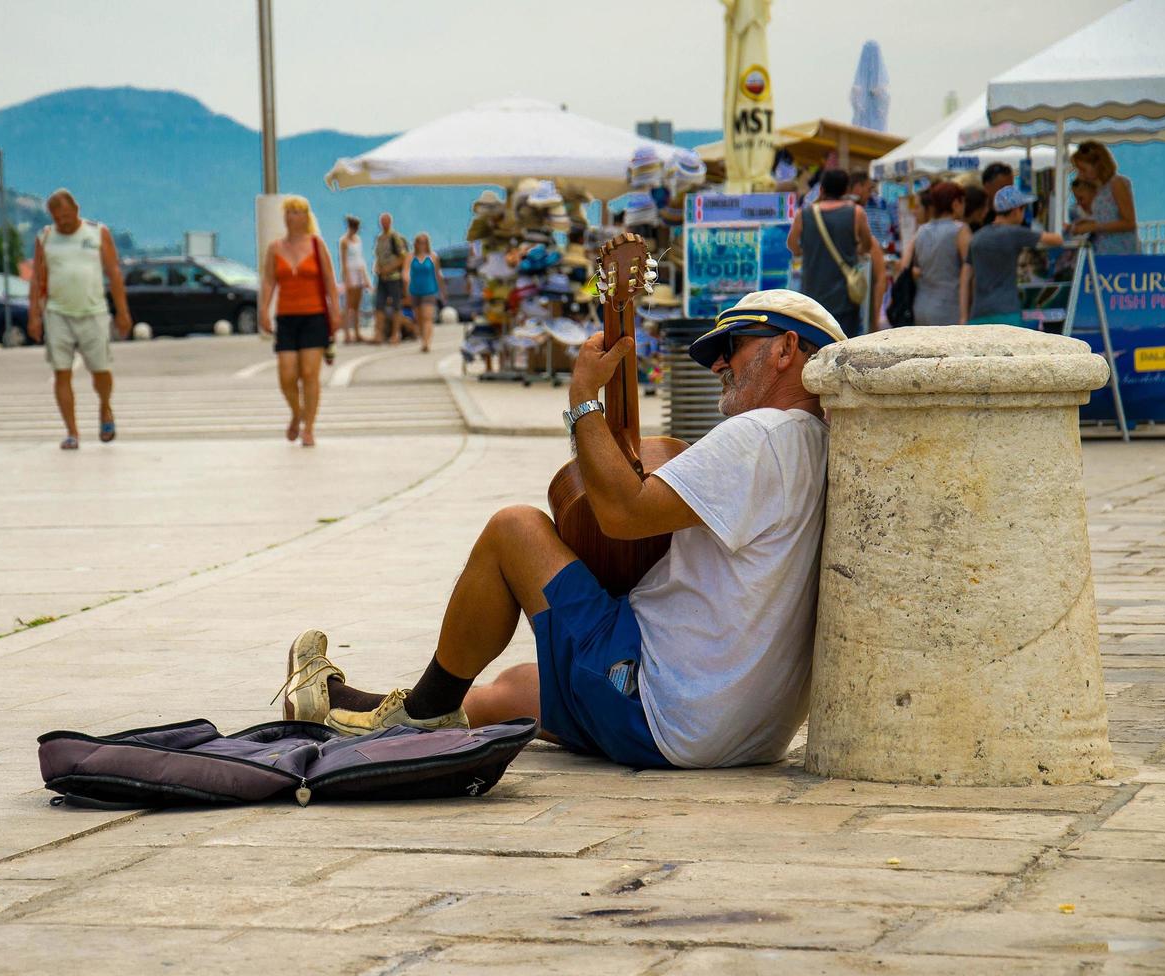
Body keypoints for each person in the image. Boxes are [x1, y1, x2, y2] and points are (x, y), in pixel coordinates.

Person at [278, 289, 846, 770]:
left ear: (787, 350)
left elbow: (623, 513)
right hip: (742, 733)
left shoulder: (764, 435)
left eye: (733, 346)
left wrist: (583, 401)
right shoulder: (821, 445)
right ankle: (356, 709)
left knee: (515, 530)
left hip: (668, 707)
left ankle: (418, 715)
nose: (719, 363)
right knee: (515, 688)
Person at [27, 189, 131, 450]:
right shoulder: (46, 237)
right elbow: (38, 278)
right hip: (57, 313)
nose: (63, 222)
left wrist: (122, 312)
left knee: (101, 371)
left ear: (76, 210)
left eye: (66, 216)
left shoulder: (97, 233)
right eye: (57, 218)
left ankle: (105, 409)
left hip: (93, 312)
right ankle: (72, 431)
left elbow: (114, 273)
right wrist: (34, 316)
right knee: (61, 372)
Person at [259, 195, 338, 448]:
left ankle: (309, 428)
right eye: (288, 212)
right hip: (286, 316)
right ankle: (297, 412)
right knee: (286, 374)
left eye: (297, 212)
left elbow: (329, 280)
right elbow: (269, 280)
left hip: (314, 314)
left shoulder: (317, 245)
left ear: (306, 217)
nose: (292, 216)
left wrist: (335, 311)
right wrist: (263, 310)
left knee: (309, 373)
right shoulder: (275, 248)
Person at [787, 168, 885, 336]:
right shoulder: (856, 212)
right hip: (845, 297)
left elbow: (792, 245)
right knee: (843, 341)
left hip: (813, 294)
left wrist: (808, 252)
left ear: (822, 189)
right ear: (846, 190)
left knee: (815, 343)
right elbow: (867, 245)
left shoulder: (804, 214)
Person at [966, 186, 1063, 327]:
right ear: (1017, 210)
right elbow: (1056, 240)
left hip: (978, 311)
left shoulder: (977, 237)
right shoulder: (1016, 233)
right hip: (1006, 311)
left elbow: (968, 275)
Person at [904, 181, 971, 325]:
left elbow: (905, 265)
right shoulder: (960, 230)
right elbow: (968, 273)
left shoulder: (921, 231)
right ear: (955, 203)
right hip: (949, 308)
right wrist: (965, 315)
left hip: (920, 306)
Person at [1070, 140, 1139, 255]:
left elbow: (1129, 223)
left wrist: (1093, 226)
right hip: (1103, 252)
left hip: (1121, 253)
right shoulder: (1099, 188)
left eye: (1083, 169)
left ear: (1097, 165)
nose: (1080, 175)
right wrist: (1089, 221)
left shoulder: (1117, 183)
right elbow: (1110, 217)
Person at [402, 233, 445, 353]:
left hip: (429, 290)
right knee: (419, 318)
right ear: (415, 244)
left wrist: (442, 291)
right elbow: (405, 272)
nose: (421, 244)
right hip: (415, 290)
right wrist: (406, 284)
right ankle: (423, 338)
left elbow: (438, 275)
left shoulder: (433, 257)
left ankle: (426, 343)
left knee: (427, 317)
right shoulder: (410, 257)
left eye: (424, 242)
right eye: (419, 242)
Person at [372, 213, 409, 344]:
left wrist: (390, 268)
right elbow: (378, 256)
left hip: (394, 277)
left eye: (386, 221)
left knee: (396, 305)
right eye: (382, 221)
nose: (384, 224)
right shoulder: (380, 238)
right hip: (382, 277)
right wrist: (377, 268)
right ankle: (379, 334)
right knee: (379, 305)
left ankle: (396, 333)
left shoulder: (395, 237)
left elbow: (403, 256)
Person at [338, 215, 369, 344]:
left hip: (359, 271)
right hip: (350, 272)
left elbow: (360, 259)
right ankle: (347, 334)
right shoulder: (344, 241)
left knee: (357, 305)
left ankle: (357, 332)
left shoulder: (358, 240)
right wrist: (347, 278)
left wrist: (365, 277)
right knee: (348, 305)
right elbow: (343, 260)